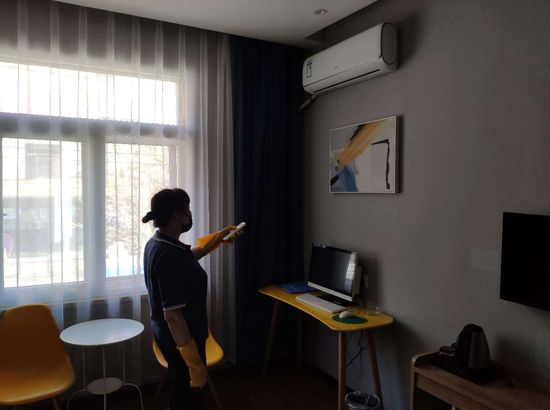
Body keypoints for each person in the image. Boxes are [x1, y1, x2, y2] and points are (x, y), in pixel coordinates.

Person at [142, 188, 239, 410]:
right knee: (190, 394)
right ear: (177, 215)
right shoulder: (168, 255)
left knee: (181, 389)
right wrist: (193, 361)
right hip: (183, 340)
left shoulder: (158, 243)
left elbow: (186, 258)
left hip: (171, 335)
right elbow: (173, 316)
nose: (189, 214)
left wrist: (217, 240)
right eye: (187, 209)